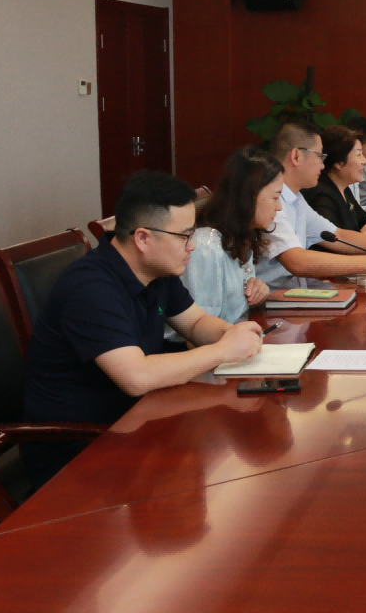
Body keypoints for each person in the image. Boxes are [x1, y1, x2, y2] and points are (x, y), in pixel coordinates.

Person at [23, 171, 266, 486]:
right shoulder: (90, 287)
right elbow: (136, 377)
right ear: (143, 238)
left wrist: (233, 334)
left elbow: (195, 322)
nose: (192, 246)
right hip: (83, 451)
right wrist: (222, 350)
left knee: (224, 460)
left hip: (140, 422)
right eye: (184, 236)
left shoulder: (156, 269)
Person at [255, 120, 366, 289]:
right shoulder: (270, 202)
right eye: (319, 156)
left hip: (297, 292)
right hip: (271, 299)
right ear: (296, 156)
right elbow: (297, 262)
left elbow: (338, 236)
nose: (322, 165)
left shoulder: (296, 199)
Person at [182, 147, 282, 330]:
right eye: (275, 197)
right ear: (249, 196)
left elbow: (234, 309)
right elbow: (200, 329)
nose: (279, 207)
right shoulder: (206, 246)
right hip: (209, 344)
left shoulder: (242, 236)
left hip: (231, 337)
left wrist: (258, 290)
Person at [302, 125, 366, 231]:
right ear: (339, 162)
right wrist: (363, 235)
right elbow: (331, 237)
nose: (364, 161)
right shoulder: (321, 195)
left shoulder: (344, 188)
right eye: (359, 154)